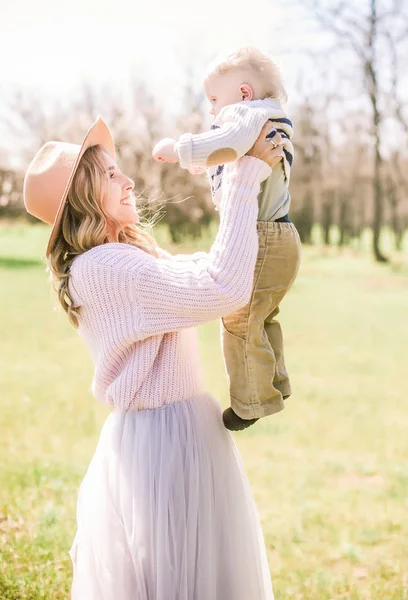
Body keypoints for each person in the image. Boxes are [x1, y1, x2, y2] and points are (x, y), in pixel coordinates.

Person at [23, 115, 284, 600]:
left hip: (183, 426)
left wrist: (227, 173)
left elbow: (206, 268)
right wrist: (246, 178)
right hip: (164, 440)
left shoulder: (122, 256)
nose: (129, 181)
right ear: (83, 197)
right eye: (110, 175)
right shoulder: (105, 268)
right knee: (178, 574)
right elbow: (221, 288)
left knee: (196, 571)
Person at [153, 47, 302, 431]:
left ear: (244, 93)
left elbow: (230, 142)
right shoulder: (272, 119)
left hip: (261, 236)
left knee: (238, 319)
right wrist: (205, 159)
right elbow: (227, 154)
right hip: (282, 234)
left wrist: (180, 149)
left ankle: (252, 402)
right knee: (262, 316)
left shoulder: (245, 114)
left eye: (215, 100)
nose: (212, 110)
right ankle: (274, 382)